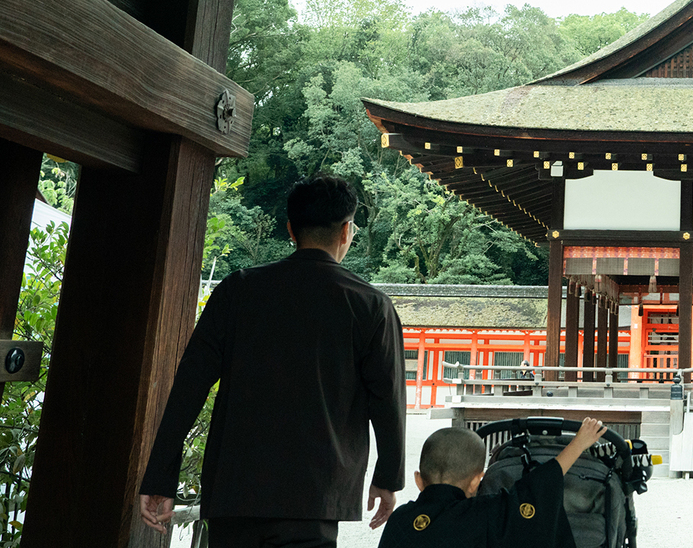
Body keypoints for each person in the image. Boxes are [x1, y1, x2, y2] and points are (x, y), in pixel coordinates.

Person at [139, 175, 406, 548]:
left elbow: (190, 384)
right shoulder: (370, 305)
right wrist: (388, 476)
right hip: (315, 493)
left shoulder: (239, 290)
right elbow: (388, 398)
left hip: (235, 488)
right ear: (346, 231)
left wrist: (159, 477)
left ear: (290, 229)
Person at [379, 419, 606, 548]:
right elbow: (536, 490)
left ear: (418, 480)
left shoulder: (400, 519)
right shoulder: (484, 513)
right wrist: (578, 444)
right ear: (476, 481)